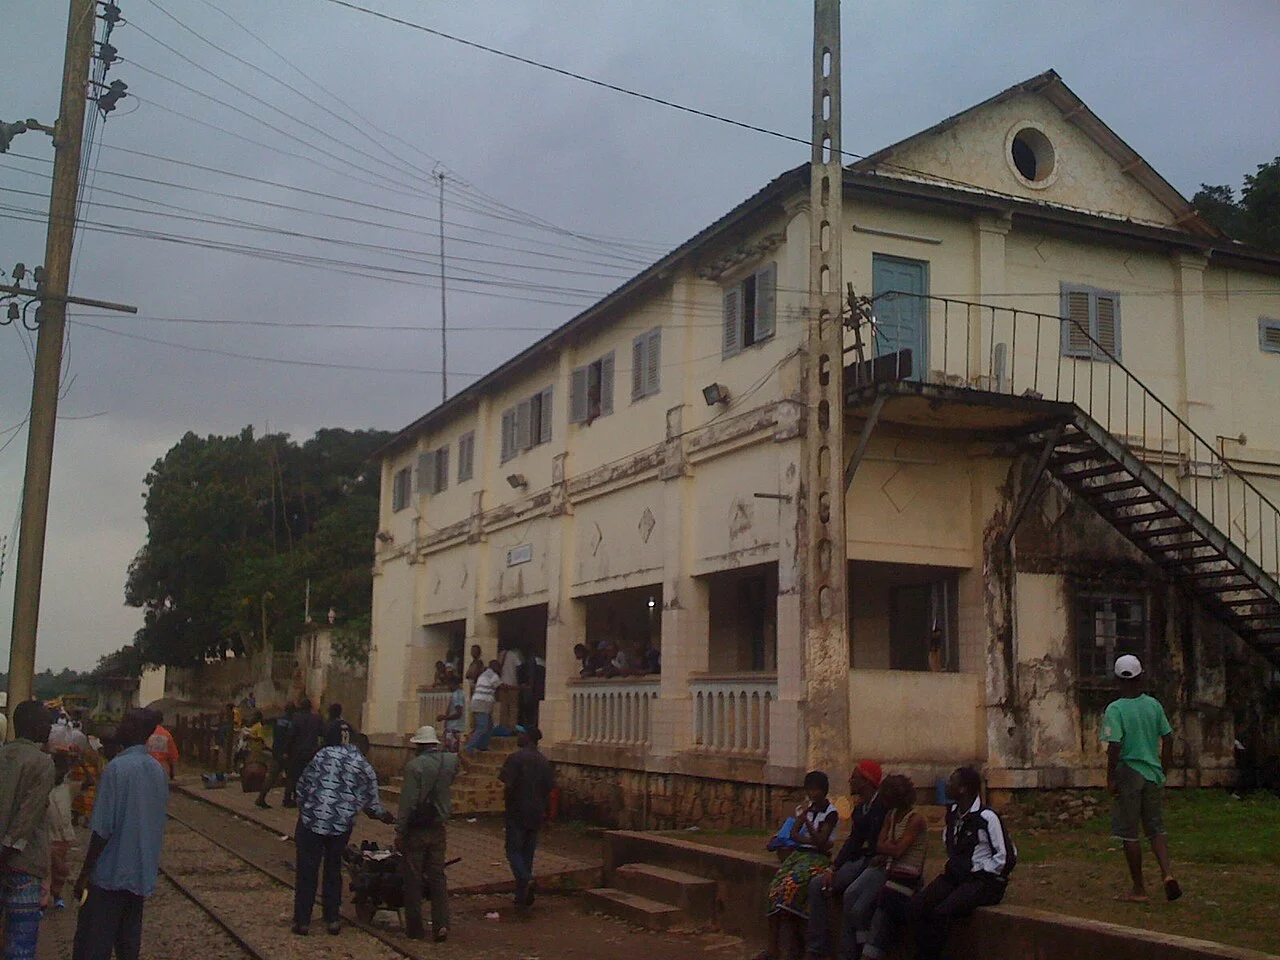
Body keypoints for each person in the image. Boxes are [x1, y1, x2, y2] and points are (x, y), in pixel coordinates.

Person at [71, 709, 169, 960]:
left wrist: (84, 874)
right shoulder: (157, 770)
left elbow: (102, 829)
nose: (119, 727)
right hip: (140, 874)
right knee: (128, 945)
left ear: (135, 730)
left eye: (125, 722)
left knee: (94, 945)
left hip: (109, 874)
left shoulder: (116, 768)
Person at [291, 719, 393, 936]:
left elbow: (302, 786)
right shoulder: (361, 762)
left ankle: (302, 921)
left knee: (307, 871)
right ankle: (332, 919)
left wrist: (307, 808)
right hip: (341, 824)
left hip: (312, 821)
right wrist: (384, 816)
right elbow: (372, 801)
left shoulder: (321, 755)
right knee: (333, 869)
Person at [909, 766, 1013, 960]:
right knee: (918, 905)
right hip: (956, 876)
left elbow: (1006, 856)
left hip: (982, 881)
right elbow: (950, 844)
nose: (947, 785)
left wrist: (979, 870)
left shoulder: (986, 817)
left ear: (963, 789)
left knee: (942, 913)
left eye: (952, 781)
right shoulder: (953, 815)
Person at [1102, 653, 1181, 903]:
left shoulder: (1115, 709)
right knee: (1155, 828)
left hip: (1129, 771)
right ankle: (1167, 874)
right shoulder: (1153, 705)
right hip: (1152, 773)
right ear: (1141, 677)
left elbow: (1115, 745)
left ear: (1117, 680)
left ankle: (1139, 888)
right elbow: (1168, 738)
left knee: (1129, 832)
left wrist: (1110, 777)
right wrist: (1163, 769)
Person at [806, 759, 887, 959]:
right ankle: (817, 948)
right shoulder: (860, 809)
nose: (850, 781)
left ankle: (847, 954)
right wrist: (833, 867)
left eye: (854, 777)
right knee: (817, 885)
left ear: (866, 782)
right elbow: (853, 842)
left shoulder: (882, 807)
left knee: (851, 895)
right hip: (858, 861)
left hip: (874, 864)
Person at [758, 771, 839, 960]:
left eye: (815, 790)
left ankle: (798, 947)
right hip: (800, 855)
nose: (811, 794)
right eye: (809, 790)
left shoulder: (831, 813)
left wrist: (808, 824)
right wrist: (810, 834)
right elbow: (794, 834)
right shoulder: (809, 809)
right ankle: (773, 947)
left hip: (817, 859)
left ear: (823, 791)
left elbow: (821, 841)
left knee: (791, 888)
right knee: (774, 888)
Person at [397, 725, 466, 942]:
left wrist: (400, 830)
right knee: (437, 876)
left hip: (417, 829)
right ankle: (441, 924)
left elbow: (407, 802)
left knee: (413, 878)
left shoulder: (414, 767)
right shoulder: (450, 761)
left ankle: (415, 928)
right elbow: (462, 767)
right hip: (438, 827)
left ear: (418, 745)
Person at [0, 700, 55, 960]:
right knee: (20, 943)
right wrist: (6, 851)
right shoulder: (42, 763)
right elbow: (27, 816)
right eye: (46, 722)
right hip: (24, 864)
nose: (50, 727)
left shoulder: (2, 755)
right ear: (33, 726)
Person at [855, 774, 928, 960]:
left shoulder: (915, 820)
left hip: (909, 879)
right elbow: (879, 845)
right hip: (892, 873)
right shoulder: (891, 816)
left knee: (884, 907)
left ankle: (870, 952)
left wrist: (889, 848)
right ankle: (865, 947)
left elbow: (897, 851)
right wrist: (890, 848)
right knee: (862, 906)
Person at [499, 726, 555, 908]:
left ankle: (526, 879)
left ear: (528, 738)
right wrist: (548, 815)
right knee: (527, 855)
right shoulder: (544, 761)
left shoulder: (515, 758)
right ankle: (521, 895)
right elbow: (549, 791)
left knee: (513, 851)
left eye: (521, 734)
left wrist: (507, 807)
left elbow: (508, 786)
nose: (518, 737)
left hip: (517, 811)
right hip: (536, 812)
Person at [47, 751, 77, 910]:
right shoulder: (45, 788)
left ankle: (57, 895)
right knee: (54, 869)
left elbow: (90, 782)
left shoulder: (67, 788)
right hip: (49, 836)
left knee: (58, 871)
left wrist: (81, 764)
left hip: (63, 837)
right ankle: (48, 897)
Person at [282, 697, 324, 808]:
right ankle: (306, 798)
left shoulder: (296, 718)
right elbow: (322, 733)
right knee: (310, 776)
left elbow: (291, 736)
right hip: (311, 752)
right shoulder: (316, 718)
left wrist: (286, 750)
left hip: (297, 752)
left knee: (293, 776)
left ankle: (288, 799)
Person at [256, 702, 295, 809]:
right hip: (287, 753)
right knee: (291, 777)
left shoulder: (278, 720)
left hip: (276, 751)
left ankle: (261, 797)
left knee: (271, 777)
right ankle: (287, 800)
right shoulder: (292, 722)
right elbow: (291, 738)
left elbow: (264, 722)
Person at [462, 660, 502, 754]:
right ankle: (469, 748)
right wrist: (518, 687)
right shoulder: (492, 675)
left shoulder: (484, 674)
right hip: (482, 704)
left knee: (489, 726)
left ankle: (482, 746)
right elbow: (501, 686)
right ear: (494, 666)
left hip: (480, 703)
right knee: (482, 727)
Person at [145, 715, 180, 780]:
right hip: (163, 769)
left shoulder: (147, 734)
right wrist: (172, 774)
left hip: (147, 768)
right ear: (162, 721)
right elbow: (173, 756)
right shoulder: (167, 734)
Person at [437, 676, 466, 752]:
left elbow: (458, 713)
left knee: (450, 750)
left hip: (454, 728)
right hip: (454, 728)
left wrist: (444, 717)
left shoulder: (457, 695)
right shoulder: (459, 693)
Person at [498, 643, 523, 728]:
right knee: (513, 709)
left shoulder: (500, 655)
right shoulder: (513, 654)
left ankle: (503, 727)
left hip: (502, 685)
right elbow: (519, 667)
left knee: (503, 708)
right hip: (512, 685)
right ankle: (512, 728)